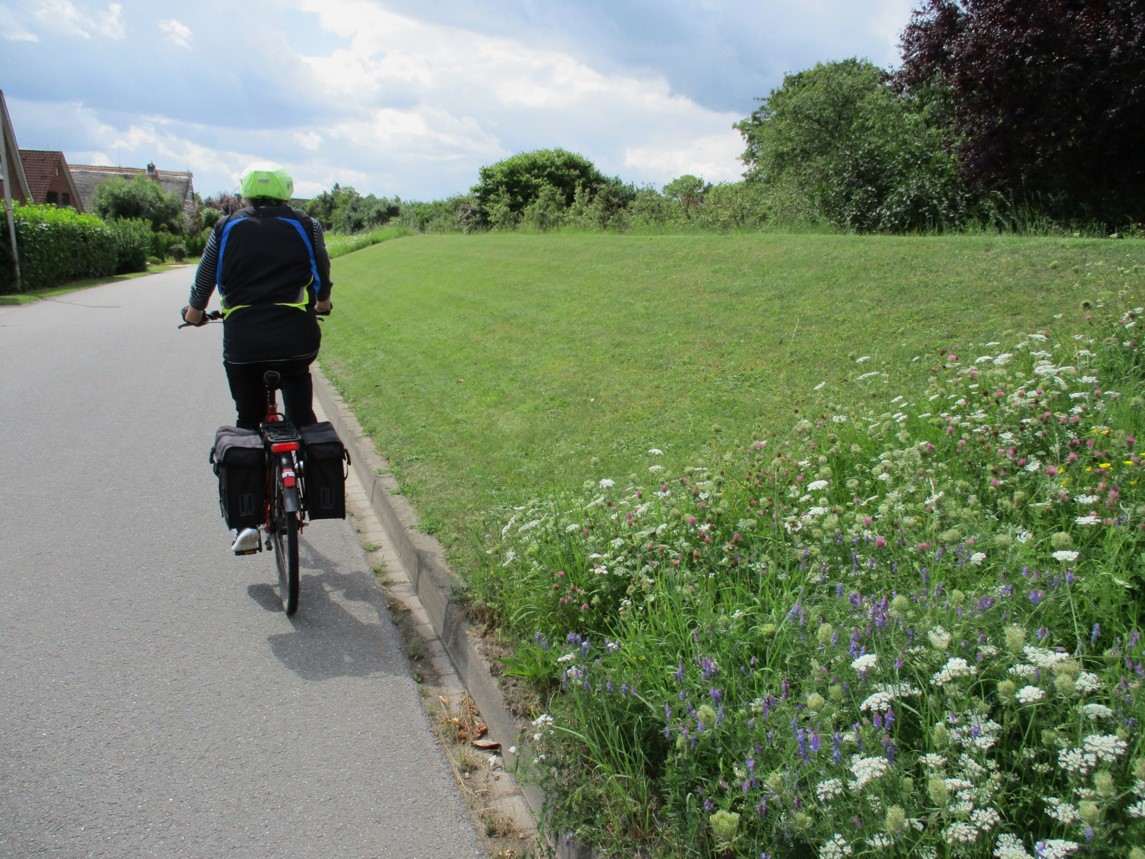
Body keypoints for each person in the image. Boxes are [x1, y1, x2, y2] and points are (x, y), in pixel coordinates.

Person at [182, 161, 333, 553]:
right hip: (296, 340)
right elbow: (320, 270)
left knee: (248, 423)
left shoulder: (226, 226)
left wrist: (195, 312)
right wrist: (322, 302)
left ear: (245, 193)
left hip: (244, 345)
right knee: (302, 415)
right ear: (287, 191)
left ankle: (246, 524)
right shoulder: (307, 225)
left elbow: (206, 277)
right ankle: (310, 477)